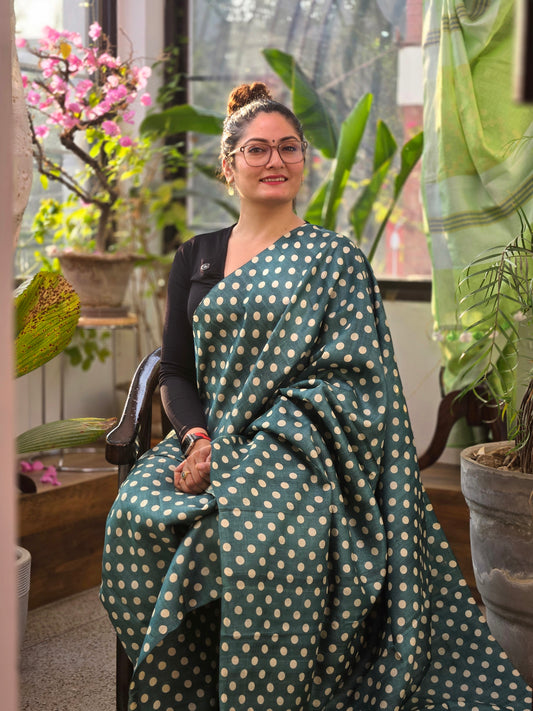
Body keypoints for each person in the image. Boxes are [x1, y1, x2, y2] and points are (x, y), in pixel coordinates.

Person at [101, 82, 531, 710]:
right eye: (257, 150)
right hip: (205, 441)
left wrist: (259, 447)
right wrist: (198, 440)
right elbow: (176, 372)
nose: (274, 161)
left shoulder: (335, 260)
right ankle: (189, 683)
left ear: (304, 160)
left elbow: (352, 382)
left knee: (256, 541)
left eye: (288, 148)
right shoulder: (195, 255)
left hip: (301, 448)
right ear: (229, 164)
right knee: (136, 517)